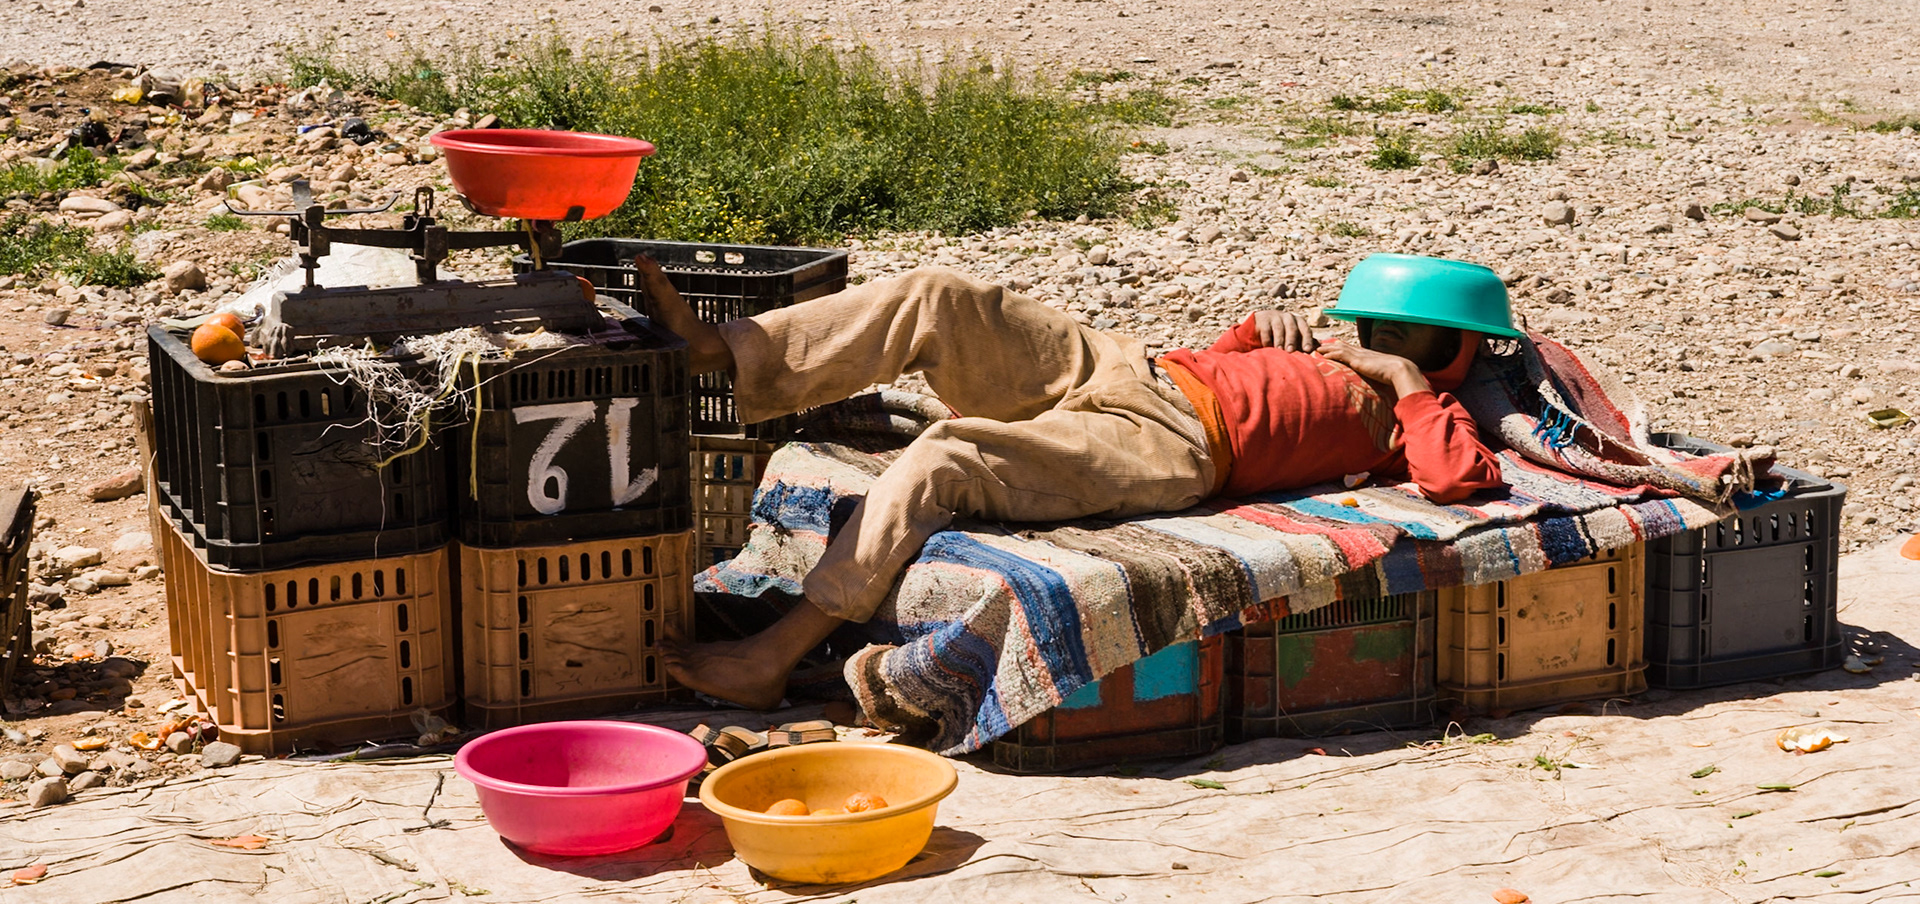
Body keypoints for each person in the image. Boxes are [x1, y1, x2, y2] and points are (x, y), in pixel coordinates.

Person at [644, 251, 1522, 710]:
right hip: (1134, 369)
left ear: (1453, 357)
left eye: (1414, 340)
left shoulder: (1425, 415)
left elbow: (1455, 482)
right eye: (1382, 329)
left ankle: (775, 653)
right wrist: (1250, 336)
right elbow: (1227, 373)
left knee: (946, 456)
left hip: (1169, 444)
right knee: (940, 294)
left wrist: (1405, 385)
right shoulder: (1328, 351)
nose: (1388, 343)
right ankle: (725, 350)